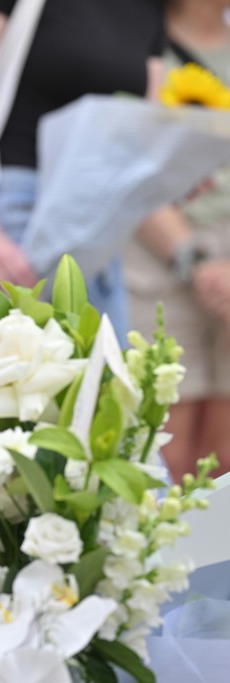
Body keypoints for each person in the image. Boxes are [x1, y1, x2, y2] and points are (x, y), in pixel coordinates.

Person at [0, 0, 166, 340]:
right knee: (4, 378)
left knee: (102, 384)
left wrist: (175, 168)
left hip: (98, 231)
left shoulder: (147, 6)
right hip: (13, 219)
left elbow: (142, 123)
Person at [124, 0, 230, 482]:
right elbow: (120, 163)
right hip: (157, 257)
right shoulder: (133, 44)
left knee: (222, 459)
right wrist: (199, 260)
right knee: (166, 446)